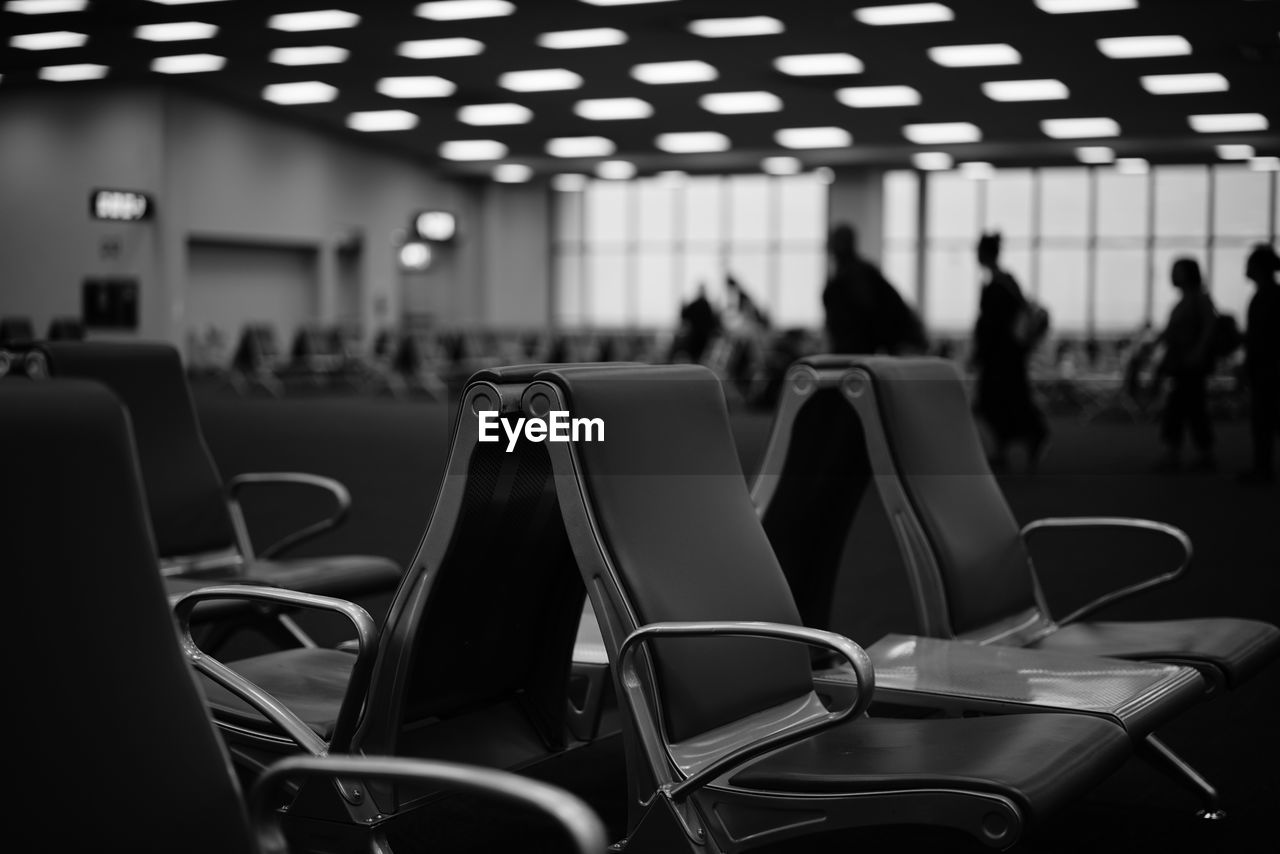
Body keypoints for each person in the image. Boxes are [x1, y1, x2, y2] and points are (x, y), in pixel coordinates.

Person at [971, 231, 1049, 472]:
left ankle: (1017, 443)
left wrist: (980, 352)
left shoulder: (997, 286)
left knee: (996, 402)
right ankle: (1014, 444)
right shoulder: (1006, 283)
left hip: (1001, 358)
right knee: (1008, 401)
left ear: (984, 254)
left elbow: (991, 327)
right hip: (1010, 356)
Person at [822, 222, 927, 356]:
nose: (834, 247)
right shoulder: (844, 276)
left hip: (860, 349)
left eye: (838, 242)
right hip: (856, 348)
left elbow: (874, 314)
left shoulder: (859, 275)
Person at [1154, 257, 1217, 471]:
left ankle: (1185, 454)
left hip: (1189, 364)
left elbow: (1208, 329)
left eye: (1176, 271)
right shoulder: (1188, 301)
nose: (1171, 275)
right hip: (1184, 363)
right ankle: (1194, 453)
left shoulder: (1197, 300)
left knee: (1186, 407)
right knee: (1188, 407)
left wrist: (1198, 353)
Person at [1239, 244, 1279, 485]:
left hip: (1267, 367)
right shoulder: (1270, 294)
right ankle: (1262, 468)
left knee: (1264, 418)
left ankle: (1263, 469)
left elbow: (1262, 337)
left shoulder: (1267, 296)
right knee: (1266, 418)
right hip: (1267, 365)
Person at [670, 283, 720, 364]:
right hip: (702, 336)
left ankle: (696, 366)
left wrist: (683, 307)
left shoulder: (695, 305)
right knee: (700, 356)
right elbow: (714, 322)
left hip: (695, 335)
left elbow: (684, 316)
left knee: (695, 355)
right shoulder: (707, 306)